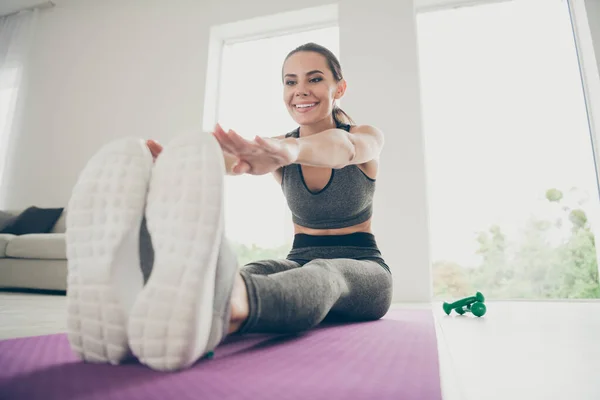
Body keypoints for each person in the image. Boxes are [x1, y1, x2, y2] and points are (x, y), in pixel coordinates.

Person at [65, 42, 393, 372]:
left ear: (340, 87)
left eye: (315, 79)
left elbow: (342, 148)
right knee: (253, 272)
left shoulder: (363, 136)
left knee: (325, 274)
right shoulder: (276, 147)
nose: (301, 90)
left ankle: (231, 310)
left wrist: (290, 151)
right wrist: (176, 164)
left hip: (365, 270)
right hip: (298, 258)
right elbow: (234, 159)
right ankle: (145, 312)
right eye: (290, 81)